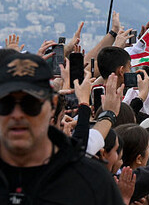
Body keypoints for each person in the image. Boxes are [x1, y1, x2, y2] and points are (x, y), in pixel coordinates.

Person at [0, 52, 123, 204]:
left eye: (30, 105)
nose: (17, 115)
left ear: (52, 104)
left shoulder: (91, 182)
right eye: (5, 105)